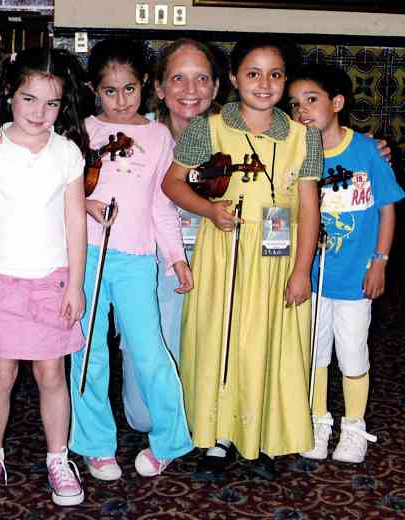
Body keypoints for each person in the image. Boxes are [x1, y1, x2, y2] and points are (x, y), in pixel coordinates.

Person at [162, 36, 323, 476]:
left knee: (265, 342)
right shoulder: (208, 128)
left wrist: (302, 271)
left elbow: (309, 207)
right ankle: (216, 438)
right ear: (234, 79)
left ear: (285, 80)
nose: (265, 83)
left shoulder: (303, 137)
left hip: (276, 260)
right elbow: (173, 185)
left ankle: (261, 438)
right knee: (220, 340)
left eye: (275, 74)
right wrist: (210, 210)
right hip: (222, 254)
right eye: (253, 73)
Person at [0, 48, 88, 506]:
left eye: (51, 103)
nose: (39, 112)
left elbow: (76, 222)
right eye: (29, 99)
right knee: (0, 372)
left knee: (52, 373)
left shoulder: (68, 152)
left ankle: (58, 457)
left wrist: (74, 283)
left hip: (50, 280)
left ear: (62, 106)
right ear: (10, 96)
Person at [68, 38, 194, 481]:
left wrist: (176, 259)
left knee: (150, 353)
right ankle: (94, 445)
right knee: (87, 353)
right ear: (93, 89)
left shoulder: (158, 136)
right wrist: (84, 204)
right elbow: (62, 193)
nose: (120, 101)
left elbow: (161, 204)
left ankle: (171, 440)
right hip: (86, 259)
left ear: (144, 84)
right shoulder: (80, 132)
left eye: (129, 90)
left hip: (139, 259)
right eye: (109, 91)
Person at [287, 63, 405, 463]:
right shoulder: (296, 154)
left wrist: (380, 261)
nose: (302, 110)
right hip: (313, 278)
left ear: (336, 103)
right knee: (315, 353)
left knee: (352, 352)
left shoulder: (367, 151)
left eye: (312, 100)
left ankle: (353, 426)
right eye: (295, 103)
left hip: (355, 277)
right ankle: (318, 421)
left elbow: (387, 209)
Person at [121, 38, 221, 433]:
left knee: (201, 414)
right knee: (144, 418)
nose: (190, 90)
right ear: (159, 88)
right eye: (178, 78)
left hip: (216, 268)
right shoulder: (131, 134)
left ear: (216, 87)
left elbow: (301, 145)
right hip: (151, 274)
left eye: (201, 79)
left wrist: (369, 149)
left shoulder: (237, 134)